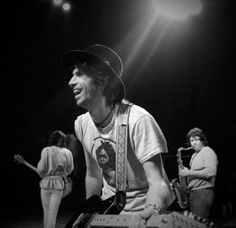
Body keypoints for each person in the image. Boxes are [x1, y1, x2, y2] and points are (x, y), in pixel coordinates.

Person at [62, 44, 175, 228]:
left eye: (80, 74)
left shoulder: (138, 120)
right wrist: (90, 214)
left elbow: (158, 183)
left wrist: (152, 210)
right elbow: (93, 175)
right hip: (110, 215)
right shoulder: (81, 124)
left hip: (144, 215)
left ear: (103, 79)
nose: (71, 82)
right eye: (72, 74)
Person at [179, 127, 218, 219]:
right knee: (194, 223)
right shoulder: (194, 155)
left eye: (196, 139)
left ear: (203, 140)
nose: (194, 143)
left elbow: (211, 172)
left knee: (199, 224)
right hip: (195, 192)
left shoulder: (207, 151)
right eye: (191, 140)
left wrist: (188, 173)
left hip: (202, 193)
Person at [37, 130, 74, 228]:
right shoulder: (67, 152)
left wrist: (45, 173)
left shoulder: (46, 150)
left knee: (46, 214)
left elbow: (41, 169)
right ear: (63, 140)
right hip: (58, 184)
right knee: (52, 215)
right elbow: (70, 170)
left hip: (45, 184)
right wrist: (62, 172)